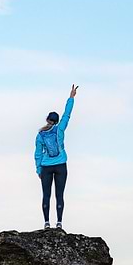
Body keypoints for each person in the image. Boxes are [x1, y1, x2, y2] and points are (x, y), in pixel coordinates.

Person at [34, 84, 79, 230]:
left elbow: (38, 154)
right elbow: (67, 114)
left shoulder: (40, 134)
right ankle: (59, 223)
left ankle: (46, 223)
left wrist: (39, 169)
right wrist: (71, 98)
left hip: (46, 167)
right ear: (57, 121)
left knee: (46, 195)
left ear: (47, 119)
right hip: (61, 165)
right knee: (60, 195)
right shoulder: (60, 128)